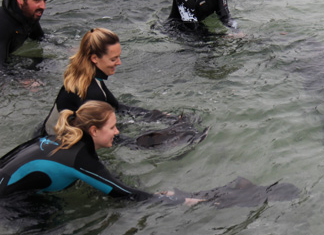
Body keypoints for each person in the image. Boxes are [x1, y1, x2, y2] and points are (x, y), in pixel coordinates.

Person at [0, 101, 202, 205]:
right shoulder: (80, 157)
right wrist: (177, 200)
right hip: (8, 202)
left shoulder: (64, 139)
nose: (117, 132)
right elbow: (123, 194)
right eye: (112, 127)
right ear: (94, 131)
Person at [41, 27, 172, 136]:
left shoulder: (89, 77)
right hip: (53, 144)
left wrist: (160, 116)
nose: (119, 62)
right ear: (94, 58)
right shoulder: (90, 92)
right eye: (113, 59)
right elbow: (108, 138)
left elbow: (117, 107)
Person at [0, 0, 48, 70]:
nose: (43, 6)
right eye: (37, 0)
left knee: (47, 64)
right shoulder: (3, 24)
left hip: (8, 57)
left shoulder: (29, 15)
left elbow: (41, 38)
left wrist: (65, 48)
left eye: (44, 1)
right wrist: (22, 80)